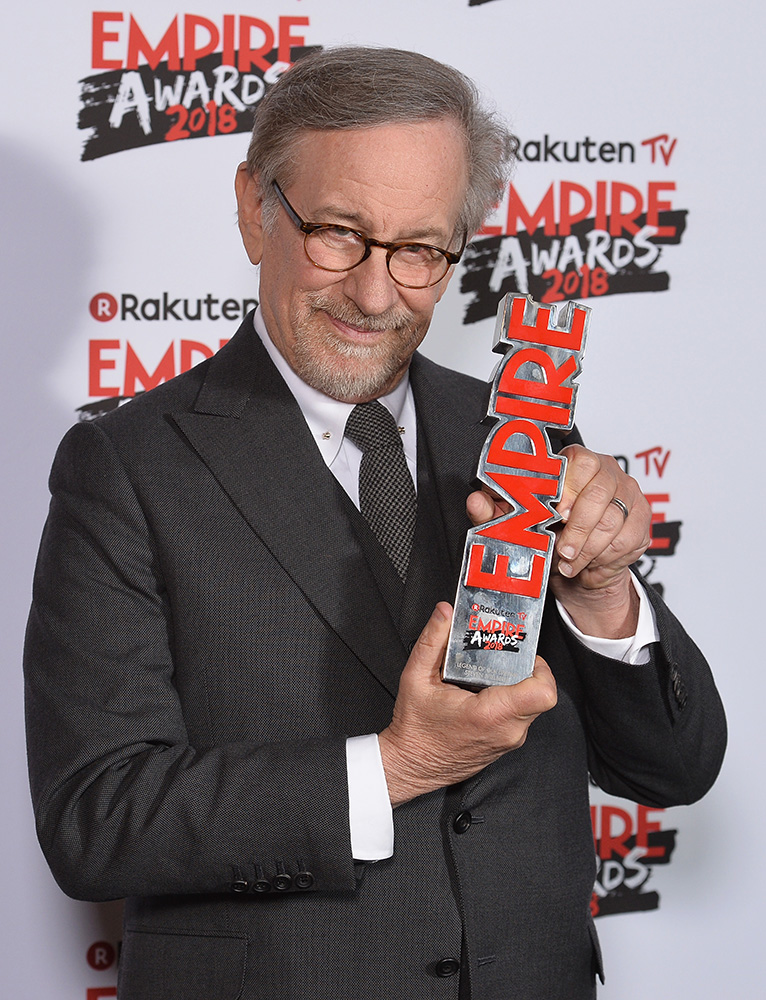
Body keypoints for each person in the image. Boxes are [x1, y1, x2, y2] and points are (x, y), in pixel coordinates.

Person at [24, 47, 726, 1000]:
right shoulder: (127, 467)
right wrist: (394, 768)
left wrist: (602, 593)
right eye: (339, 234)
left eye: (420, 250)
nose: (374, 293)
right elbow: (95, 819)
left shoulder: (522, 435)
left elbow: (675, 768)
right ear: (255, 208)